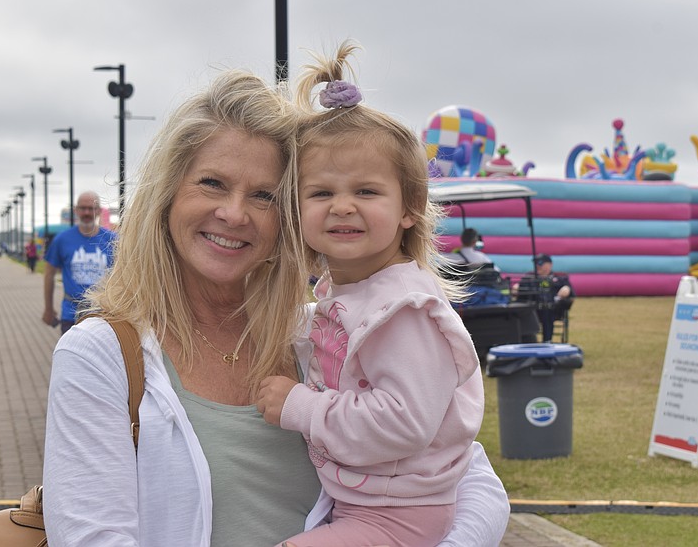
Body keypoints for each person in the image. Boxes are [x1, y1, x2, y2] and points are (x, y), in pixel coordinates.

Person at [42, 69, 509, 547]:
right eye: (212, 183)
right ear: (165, 196)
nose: (235, 213)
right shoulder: (102, 355)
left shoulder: (320, 333)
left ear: (287, 216)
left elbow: (467, 476)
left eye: (264, 195)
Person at [256, 41, 486, 547]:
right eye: (321, 193)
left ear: (410, 207)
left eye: (366, 191)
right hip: (361, 503)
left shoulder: (406, 311)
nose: (342, 207)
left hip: (398, 517)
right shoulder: (352, 292)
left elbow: (404, 423)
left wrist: (301, 406)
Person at [41, 191, 117, 333]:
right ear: (76, 210)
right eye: (83, 208)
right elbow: (49, 275)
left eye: (91, 208)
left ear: (99, 211)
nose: (87, 213)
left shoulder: (112, 240)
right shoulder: (62, 240)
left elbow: (125, 276)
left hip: (104, 315)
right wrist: (48, 308)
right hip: (71, 315)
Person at [513, 253, 574, 342]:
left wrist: (567, 289)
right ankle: (526, 341)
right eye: (536, 263)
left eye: (540, 263)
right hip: (532, 309)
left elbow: (569, 292)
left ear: (550, 265)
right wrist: (517, 288)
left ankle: (547, 341)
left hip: (552, 310)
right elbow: (519, 289)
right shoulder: (529, 277)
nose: (538, 266)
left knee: (547, 308)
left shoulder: (559, 278)